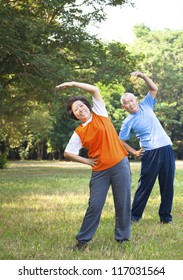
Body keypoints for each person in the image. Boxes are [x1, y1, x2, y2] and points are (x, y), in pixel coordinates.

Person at [56, 81, 131, 251]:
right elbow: (68, 153)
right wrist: (87, 161)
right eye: (76, 109)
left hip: (120, 165)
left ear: (88, 106)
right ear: (74, 115)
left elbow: (95, 89)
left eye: (81, 106)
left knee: (123, 203)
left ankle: (122, 238)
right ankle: (83, 241)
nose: (80, 109)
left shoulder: (100, 113)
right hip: (100, 171)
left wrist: (73, 83)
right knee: (95, 205)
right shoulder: (79, 132)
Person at [119, 71, 175, 224]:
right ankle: (134, 216)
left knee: (167, 184)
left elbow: (153, 89)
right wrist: (135, 152)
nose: (131, 104)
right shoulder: (127, 122)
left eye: (132, 100)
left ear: (136, 100)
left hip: (166, 148)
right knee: (145, 185)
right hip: (150, 153)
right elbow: (121, 141)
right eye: (127, 103)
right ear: (124, 107)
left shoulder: (146, 105)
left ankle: (165, 217)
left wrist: (143, 76)